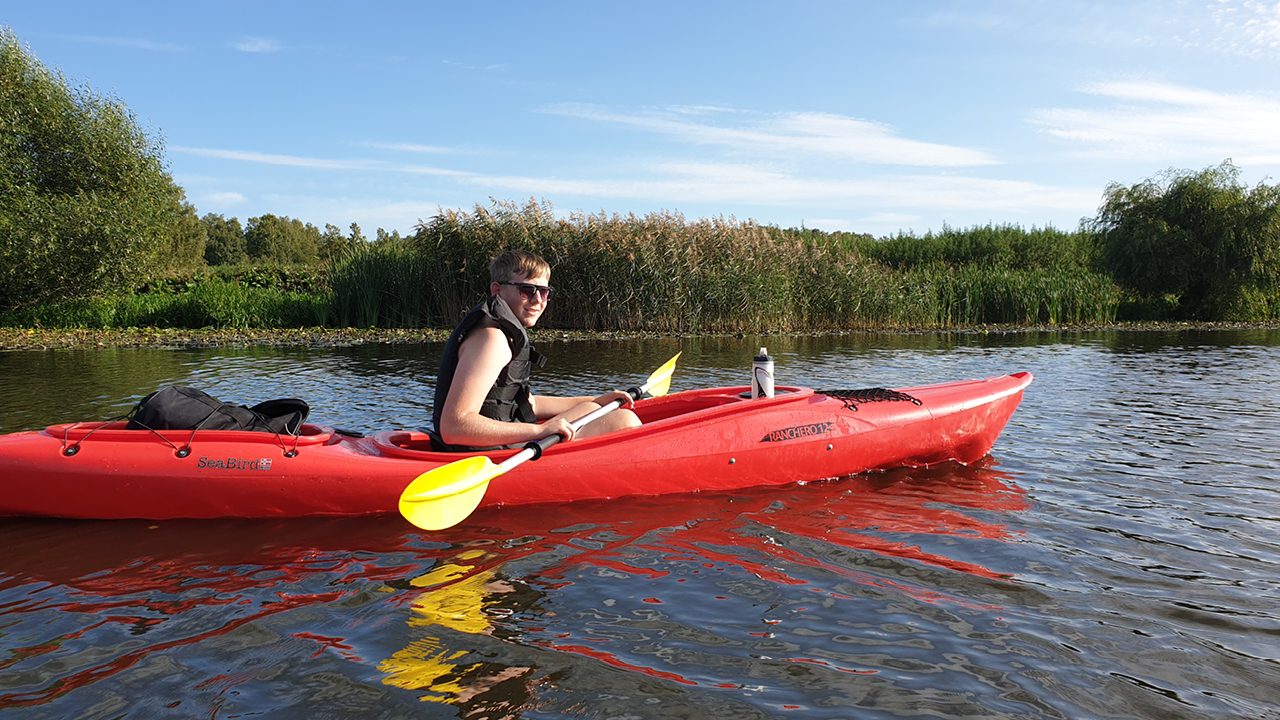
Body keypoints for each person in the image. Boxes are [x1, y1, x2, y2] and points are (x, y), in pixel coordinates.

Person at [430, 249, 639, 451]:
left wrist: (596, 399)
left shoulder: (503, 333)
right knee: (624, 420)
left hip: (496, 444)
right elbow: (453, 427)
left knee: (592, 409)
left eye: (544, 292)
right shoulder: (491, 340)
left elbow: (529, 403)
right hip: (483, 454)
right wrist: (539, 430)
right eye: (527, 290)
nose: (538, 300)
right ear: (497, 290)